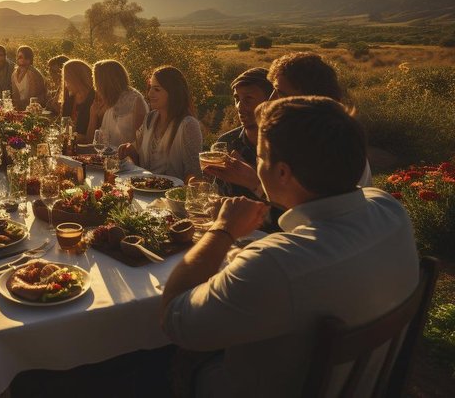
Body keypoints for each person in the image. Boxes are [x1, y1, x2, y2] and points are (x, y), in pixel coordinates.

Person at [160, 96, 419, 397]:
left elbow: (175, 319)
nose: (254, 166)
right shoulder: (389, 209)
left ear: (282, 173)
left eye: (258, 158)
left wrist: (222, 230)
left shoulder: (274, 264)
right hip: (366, 383)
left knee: (145, 365)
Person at [205, 52, 372, 204]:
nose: (270, 101)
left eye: (280, 93)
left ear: (309, 98)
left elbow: (313, 219)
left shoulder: (333, 149)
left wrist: (255, 182)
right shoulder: (298, 139)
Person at [118, 66, 202, 180]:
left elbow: (194, 171)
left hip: (171, 194)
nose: (150, 94)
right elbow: (139, 156)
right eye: (150, 88)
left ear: (173, 92)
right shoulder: (150, 118)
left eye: (157, 89)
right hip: (143, 190)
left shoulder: (188, 125)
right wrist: (129, 150)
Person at [214, 68, 273, 199]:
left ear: (270, 102)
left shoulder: (286, 148)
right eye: (237, 98)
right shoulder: (226, 143)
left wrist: (254, 181)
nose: (239, 106)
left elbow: (292, 210)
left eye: (248, 98)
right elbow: (219, 196)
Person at [87, 60, 147, 148]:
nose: (95, 86)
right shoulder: (106, 101)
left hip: (126, 159)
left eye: (96, 81)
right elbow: (91, 140)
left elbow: (139, 142)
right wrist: (93, 115)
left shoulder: (135, 100)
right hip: (104, 156)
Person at [60, 59, 96, 142]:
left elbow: (94, 136)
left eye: (67, 80)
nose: (65, 84)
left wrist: (74, 136)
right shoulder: (70, 97)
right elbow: (64, 125)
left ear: (76, 79)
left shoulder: (94, 98)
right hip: (70, 145)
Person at [11, 45, 47, 110]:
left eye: (24, 57)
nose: (20, 59)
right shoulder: (14, 74)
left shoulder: (33, 73)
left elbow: (32, 96)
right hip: (22, 107)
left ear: (29, 59)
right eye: (19, 57)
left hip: (35, 107)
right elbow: (15, 95)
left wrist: (22, 107)